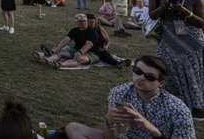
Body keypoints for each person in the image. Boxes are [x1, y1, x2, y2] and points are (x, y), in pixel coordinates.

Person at [65, 55, 195, 138]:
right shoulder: (120, 93)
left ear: (161, 83)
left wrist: (151, 129)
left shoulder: (178, 109)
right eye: (138, 71)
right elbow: (111, 137)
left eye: (149, 77)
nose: (141, 78)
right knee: (73, 128)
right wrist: (109, 122)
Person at [148, 0, 204, 120]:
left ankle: (195, 105)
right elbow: (152, 15)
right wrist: (163, 8)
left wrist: (186, 12)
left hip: (191, 39)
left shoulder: (195, 0)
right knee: (167, 69)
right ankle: (171, 101)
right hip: (168, 37)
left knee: (192, 72)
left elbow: (201, 22)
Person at [32, 13, 99, 68]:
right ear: (76, 22)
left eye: (85, 21)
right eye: (80, 21)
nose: (83, 23)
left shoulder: (92, 32)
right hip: (77, 50)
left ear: (87, 21)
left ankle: (59, 65)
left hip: (92, 53)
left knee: (79, 59)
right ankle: (45, 60)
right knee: (60, 54)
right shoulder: (74, 30)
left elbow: (88, 45)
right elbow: (66, 40)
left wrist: (80, 53)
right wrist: (58, 48)